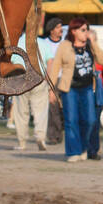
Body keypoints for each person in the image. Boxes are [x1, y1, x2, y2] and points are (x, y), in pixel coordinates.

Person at [49, 19, 103, 162]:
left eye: (87, 29)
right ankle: (73, 152)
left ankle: (83, 148)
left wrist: (93, 43)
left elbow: (102, 61)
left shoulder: (90, 45)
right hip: (70, 89)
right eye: (83, 30)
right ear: (73, 31)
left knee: (90, 120)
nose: (86, 32)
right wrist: (51, 90)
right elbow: (56, 67)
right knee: (71, 120)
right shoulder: (64, 46)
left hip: (87, 88)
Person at [41, 16, 65, 144]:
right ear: (51, 30)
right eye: (58, 27)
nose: (61, 29)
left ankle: (63, 131)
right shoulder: (44, 43)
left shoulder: (65, 43)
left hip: (65, 79)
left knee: (64, 109)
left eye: (61, 27)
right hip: (51, 79)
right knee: (52, 108)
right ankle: (54, 136)